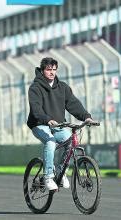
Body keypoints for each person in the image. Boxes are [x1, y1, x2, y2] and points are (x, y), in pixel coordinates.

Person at [27, 57, 95, 191]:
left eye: (54, 70)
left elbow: (74, 104)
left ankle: (61, 172)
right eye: (48, 70)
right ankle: (48, 176)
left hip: (58, 125)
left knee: (71, 141)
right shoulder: (35, 88)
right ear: (42, 71)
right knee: (50, 142)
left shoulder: (63, 87)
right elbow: (36, 109)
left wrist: (86, 117)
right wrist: (47, 119)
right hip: (39, 124)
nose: (52, 72)